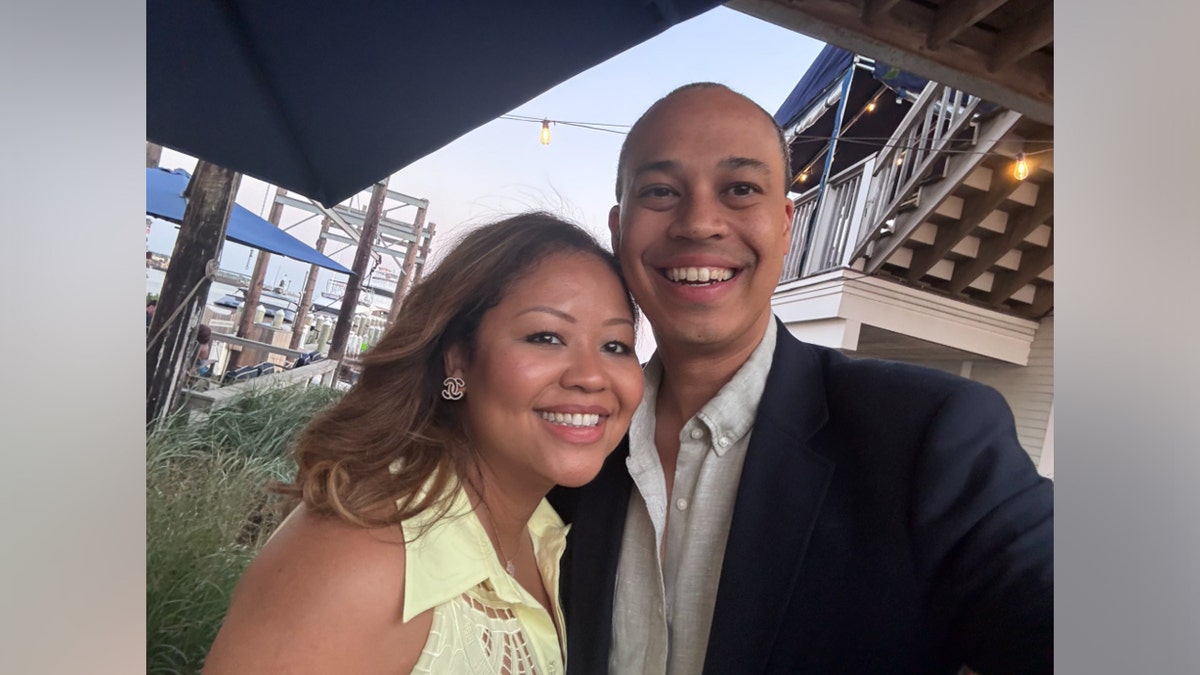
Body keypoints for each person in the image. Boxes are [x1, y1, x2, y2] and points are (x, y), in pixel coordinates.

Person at [547, 83, 1053, 675]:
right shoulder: (577, 437)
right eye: (660, 191)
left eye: (740, 189)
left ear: (785, 223)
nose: (700, 223)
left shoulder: (925, 435)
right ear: (618, 226)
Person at [202, 212, 645, 674]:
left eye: (615, 345)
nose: (592, 376)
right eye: (547, 337)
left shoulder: (546, 537)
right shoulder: (361, 562)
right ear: (458, 361)